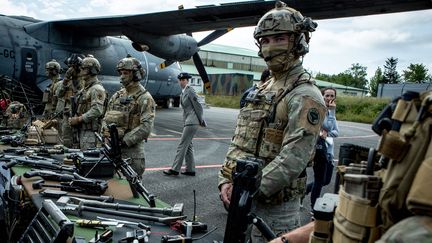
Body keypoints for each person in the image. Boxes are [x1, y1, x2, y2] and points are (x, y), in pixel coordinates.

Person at [218, 2, 326, 241]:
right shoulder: (262, 89)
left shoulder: (305, 95)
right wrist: (225, 179)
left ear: (298, 41)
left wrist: (248, 188)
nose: (269, 48)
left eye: (278, 38)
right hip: (243, 198)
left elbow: (294, 158)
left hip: (276, 210)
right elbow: (240, 141)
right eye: (264, 41)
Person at [101, 56, 156, 177]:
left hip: (131, 153)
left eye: (125, 73)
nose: (122, 76)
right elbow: (106, 117)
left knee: (132, 189)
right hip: (112, 149)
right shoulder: (117, 96)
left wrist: (123, 141)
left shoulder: (145, 98)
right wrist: (105, 133)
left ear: (136, 74)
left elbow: (146, 127)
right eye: (121, 73)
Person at [163, 72, 206, 176]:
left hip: (192, 122)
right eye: (180, 80)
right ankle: (190, 170)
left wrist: (201, 120)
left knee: (182, 145)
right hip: (188, 121)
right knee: (188, 146)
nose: (182, 82)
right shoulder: (184, 92)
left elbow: (198, 106)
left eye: (184, 80)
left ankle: (175, 169)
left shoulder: (190, 90)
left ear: (187, 80)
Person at [306, 87, 339, 209]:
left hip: (329, 151)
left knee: (326, 181)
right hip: (320, 150)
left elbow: (336, 132)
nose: (329, 98)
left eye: (332, 96)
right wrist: (323, 131)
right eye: (327, 96)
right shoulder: (319, 110)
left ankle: (305, 190)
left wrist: (326, 133)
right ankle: (313, 206)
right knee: (319, 180)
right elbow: (327, 126)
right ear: (322, 96)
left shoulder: (331, 112)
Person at [69, 55, 107, 150]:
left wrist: (78, 119)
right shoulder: (85, 89)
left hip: (90, 133)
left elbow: (97, 110)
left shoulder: (96, 89)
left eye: (83, 69)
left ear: (92, 70)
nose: (80, 71)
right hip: (83, 130)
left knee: (88, 158)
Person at [56, 54, 84, 147]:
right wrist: (66, 79)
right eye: (70, 67)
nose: (71, 70)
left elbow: (81, 92)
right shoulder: (67, 81)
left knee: (79, 138)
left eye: (74, 67)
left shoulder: (84, 80)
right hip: (67, 113)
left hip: (79, 113)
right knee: (66, 137)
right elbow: (59, 94)